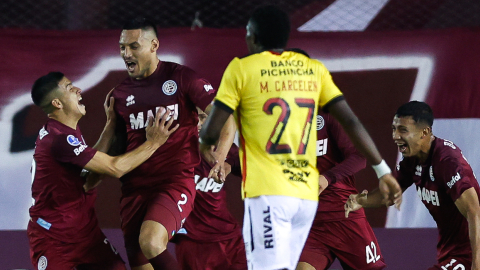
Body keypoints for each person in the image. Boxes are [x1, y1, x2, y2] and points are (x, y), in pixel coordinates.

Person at [199, 5, 401, 270]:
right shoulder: (313, 71)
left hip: (282, 199)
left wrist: (205, 141)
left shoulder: (242, 70)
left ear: (253, 37)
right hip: (306, 206)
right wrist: (383, 171)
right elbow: (351, 120)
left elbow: (214, 129)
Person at [110, 17, 235, 270]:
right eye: (122, 47)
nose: (126, 53)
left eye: (134, 46)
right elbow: (113, 146)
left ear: (154, 45)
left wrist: (221, 157)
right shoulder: (119, 94)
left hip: (173, 182)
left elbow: (225, 117)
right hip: (133, 191)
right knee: (142, 262)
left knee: (152, 242)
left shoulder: (180, 78)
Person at [28, 72, 177, 270]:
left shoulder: (65, 131)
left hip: (85, 235)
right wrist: (154, 143)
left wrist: (110, 124)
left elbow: (88, 181)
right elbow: (115, 168)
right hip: (53, 238)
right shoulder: (59, 140)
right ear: (57, 103)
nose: (78, 90)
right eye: (70, 87)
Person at [345, 101, 480, 270]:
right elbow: (389, 196)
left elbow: (474, 210)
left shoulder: (447, 161)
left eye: (403, 130)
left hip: (470, 254)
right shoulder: (411, 161)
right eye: (394, 129)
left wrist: (477, 264)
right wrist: (361, 201)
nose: (395, 136)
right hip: (451, 253)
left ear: (425, 132)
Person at [297, 110, 386, 270]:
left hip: (344, 216)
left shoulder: (328, 113)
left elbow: (360, 156)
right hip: (311, 222)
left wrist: (327, 178)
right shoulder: (278, 118)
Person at [174, 110, 247, 270]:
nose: (198, 123)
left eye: (203, 117)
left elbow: (251, 167)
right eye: (192, 116)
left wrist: (230, 164)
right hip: (194, 243)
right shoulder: (174, 152)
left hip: (230, 237)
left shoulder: (222, 149)